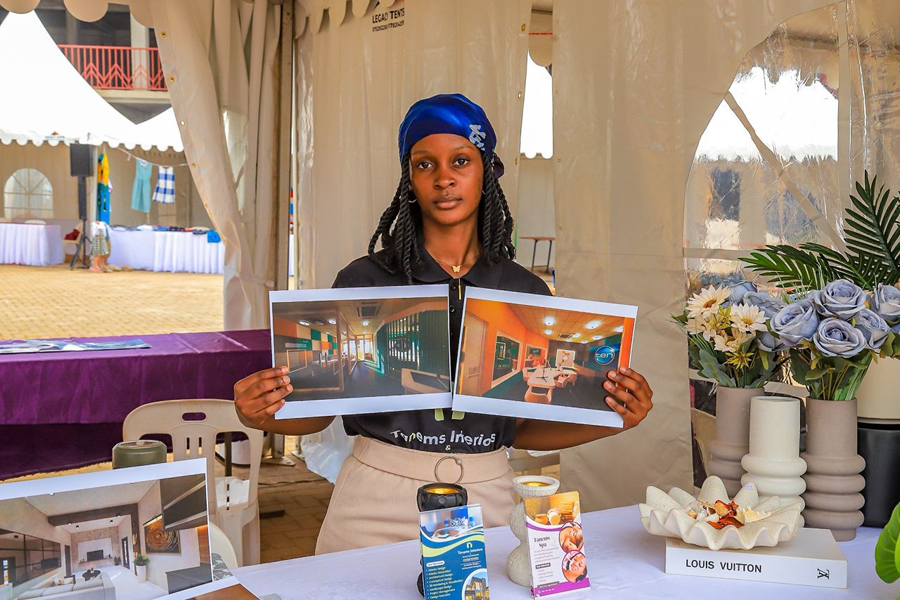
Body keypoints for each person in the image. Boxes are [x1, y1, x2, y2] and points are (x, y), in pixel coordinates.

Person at [235, 93, 654, 554]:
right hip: (373, 498)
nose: (444, 178)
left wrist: (614, 418)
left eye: (460, 160)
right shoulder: (364, 280)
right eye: (424, 165)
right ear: (409, 180)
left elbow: (519, 429)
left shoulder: (521, 291)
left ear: (487, 172)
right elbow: (320, 410)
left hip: (488, 494)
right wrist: (260, 412)